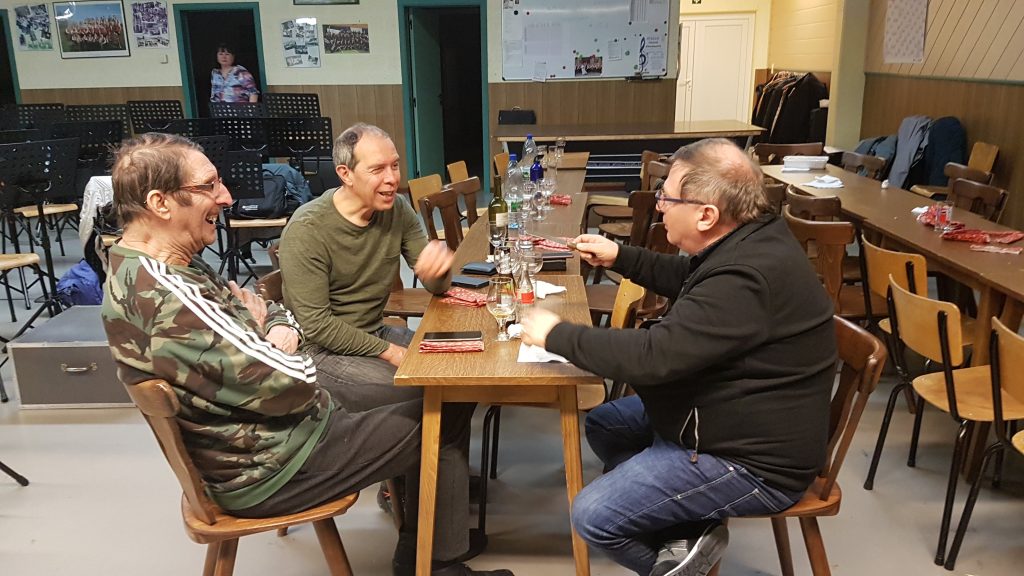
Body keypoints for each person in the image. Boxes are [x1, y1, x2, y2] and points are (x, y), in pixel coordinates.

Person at [102, 133, 510, 576]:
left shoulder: (158, 266)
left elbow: (267, 309)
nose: (226, 196)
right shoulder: (171, 294)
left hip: (269, 440)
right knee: (444, 405)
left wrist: (268, 325)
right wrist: (267, 335)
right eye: (209, 185)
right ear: (160, 203)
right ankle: (432, 561)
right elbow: (291, 380)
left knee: (438, 393)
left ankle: (427, 538)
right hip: (274, 463)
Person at [521, 138, 837, 576]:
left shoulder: (747, 276)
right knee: (606, 424)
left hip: (753, 462)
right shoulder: (751, 239)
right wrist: (621, 256)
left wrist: (555, 335)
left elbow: (653, 357)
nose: (660, 207)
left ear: (706, 215)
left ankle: (679, 562)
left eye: (667, 198)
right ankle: (687, 528)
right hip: (726, 415)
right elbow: (691, 277)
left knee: (594, 516)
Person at [278, 123, 498, 576]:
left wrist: (438, 270)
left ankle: (426, 505)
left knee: (461, 377)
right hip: (321, 356)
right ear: (345, 174)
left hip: (372, 334)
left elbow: (436, 282)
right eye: (377, 169)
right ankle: (434, 555)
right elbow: (317, 326)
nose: (392, 178)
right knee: (437, 396)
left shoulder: (396, 209)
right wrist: (393, 354)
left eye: (395, 166)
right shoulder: (308, 228)